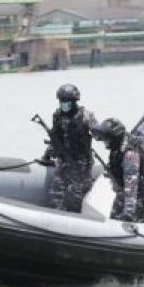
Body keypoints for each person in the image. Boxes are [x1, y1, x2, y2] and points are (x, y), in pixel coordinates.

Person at [42, 83, 97, 213]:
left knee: (79, 199)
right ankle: (57, 220)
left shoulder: (85, 115)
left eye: (66, 101)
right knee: (55, 196)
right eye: (62, 101)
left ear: (74, 102)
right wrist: (47, 154)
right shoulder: (57, 115)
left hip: (81, 164)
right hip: (64, 163)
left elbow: (99, 133)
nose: (63, 104)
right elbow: (56, 138)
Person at [92, 117, 144, 223]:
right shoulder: (117, 146)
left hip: (135, 199)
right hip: (123, 192)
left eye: (107, 139)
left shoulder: (129, 154)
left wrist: (128, 213)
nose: (105, 142)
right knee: (113, 220)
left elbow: (131, 186)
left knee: (127, 223)